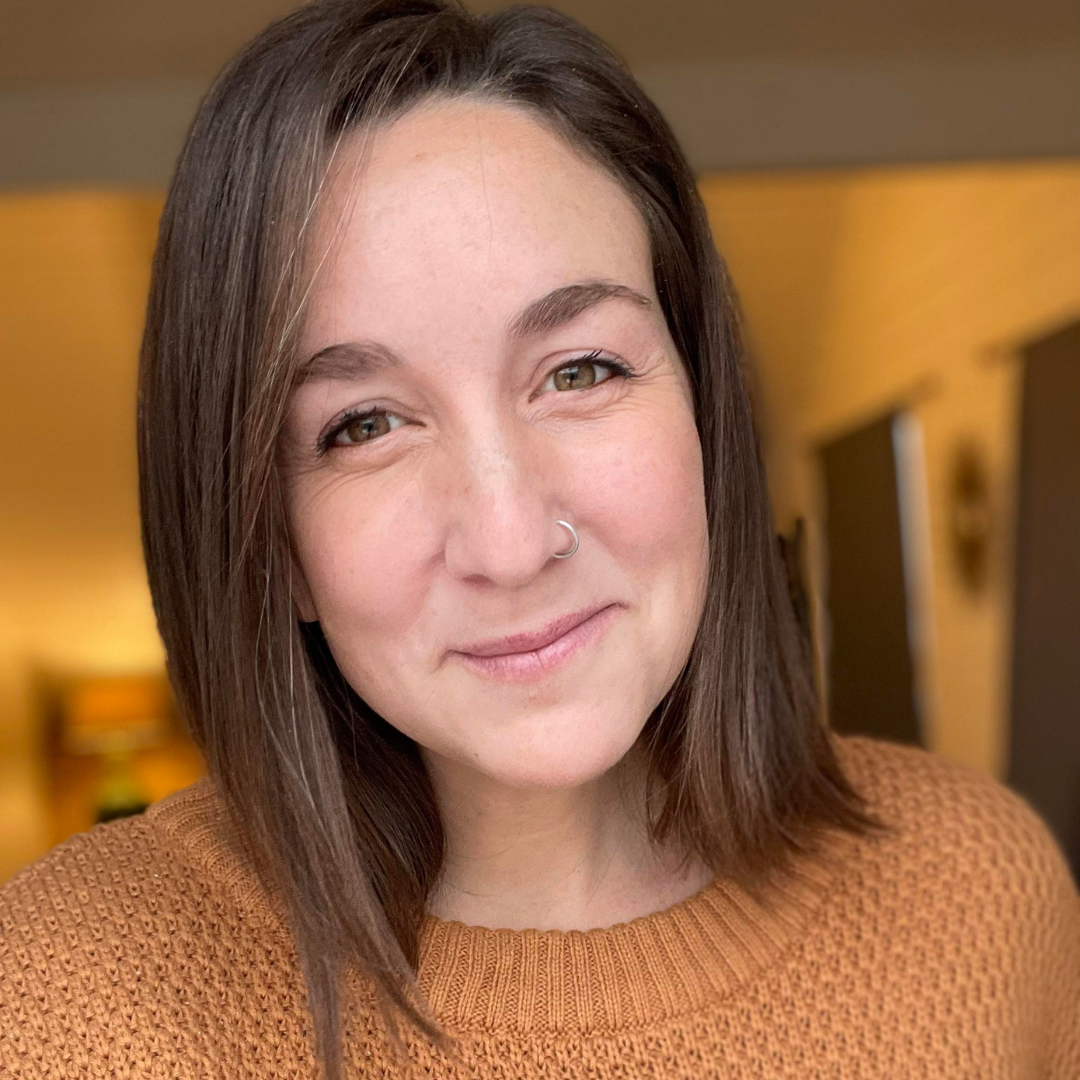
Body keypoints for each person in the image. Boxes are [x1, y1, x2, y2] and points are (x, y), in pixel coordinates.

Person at [2, 2, 1077, 1077]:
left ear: (703, 409)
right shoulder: (63, 1003)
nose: (510, 542)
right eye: (364, 425)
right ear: (272, 544)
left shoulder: (979, 889)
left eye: (580, 370)